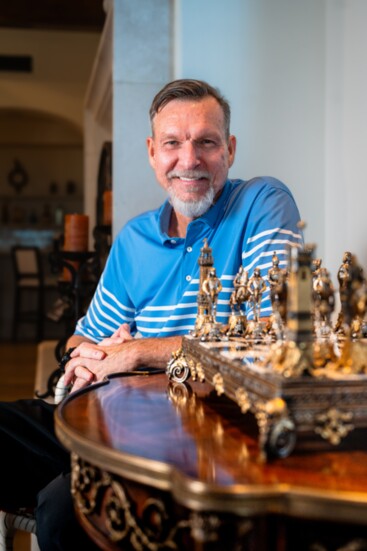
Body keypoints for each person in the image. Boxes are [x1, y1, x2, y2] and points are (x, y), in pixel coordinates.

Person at [0, 79, 303, 550]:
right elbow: (84, 343)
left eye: (206, 141)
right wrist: (85, 358)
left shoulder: (261, 204)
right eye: (172, 143)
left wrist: (134, 352)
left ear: (230, 149)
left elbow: (272, 339)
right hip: (103, 421)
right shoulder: (134, 239)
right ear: (151, 152)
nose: (189, 159)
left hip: (202, 438)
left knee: (64, 509)